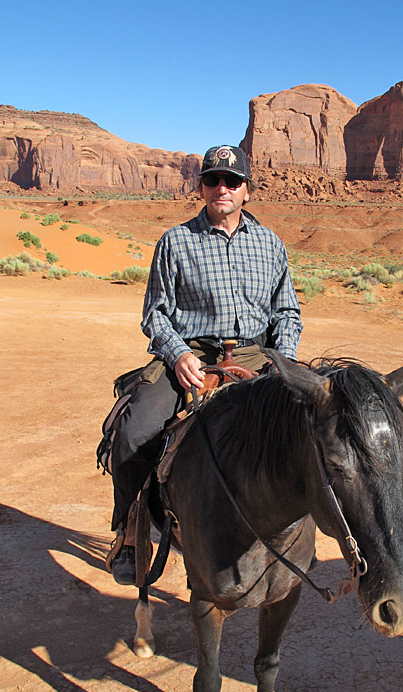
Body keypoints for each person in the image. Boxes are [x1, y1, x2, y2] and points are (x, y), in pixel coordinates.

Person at [107, 144, 303, 585]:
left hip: (256, 354)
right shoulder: (176, 241)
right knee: (134, 431)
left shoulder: (269, 244)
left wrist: (284, 361)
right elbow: (155, 313)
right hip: (192, 354)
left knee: (311, 426)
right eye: (213, 180)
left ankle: (302, 533)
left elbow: (286, 313)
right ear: (201, 187)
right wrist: (178, 355)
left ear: (246, 191)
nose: (222, 188)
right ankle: (130, 532)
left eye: (232, 181)